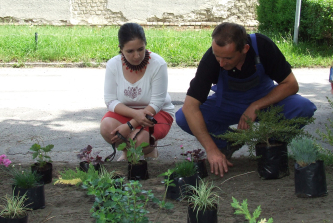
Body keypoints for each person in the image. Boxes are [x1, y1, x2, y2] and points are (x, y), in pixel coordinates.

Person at [175, 22, 317, 177]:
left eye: (228, 58)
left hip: (265, 102)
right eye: (217, 56)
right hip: (227, 104)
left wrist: (256, 106)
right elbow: (190, 107)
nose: (221, 63)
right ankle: (228, 143)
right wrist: (211, 149)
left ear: (245, 49)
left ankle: (271, 144)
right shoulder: (211, 60)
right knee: (183, 117)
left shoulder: (262, 46)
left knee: (304, 107)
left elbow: (291, 84)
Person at [100, 23, 174, 161]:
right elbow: (110, 100)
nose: (137, 55)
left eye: (141, 49)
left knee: (141, 141)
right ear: (121, 49)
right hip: (127, 111)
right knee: (107, 128)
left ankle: (150, 149)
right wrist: (135, 115)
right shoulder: (113, 65)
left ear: (146, 44)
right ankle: (127, 152)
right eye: (130, 51)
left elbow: (157, 103)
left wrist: (130, 125)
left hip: (156, 113)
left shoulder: (158, 64)